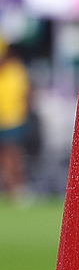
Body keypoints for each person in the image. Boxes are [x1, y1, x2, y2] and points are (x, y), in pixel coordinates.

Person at [0, 44, 29, 202]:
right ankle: (11, 188)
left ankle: (16, 188)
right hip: (5, 120)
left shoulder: (15, 70)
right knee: (8, 157)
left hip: (13, 119)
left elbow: (24, 93)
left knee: (12, 156)